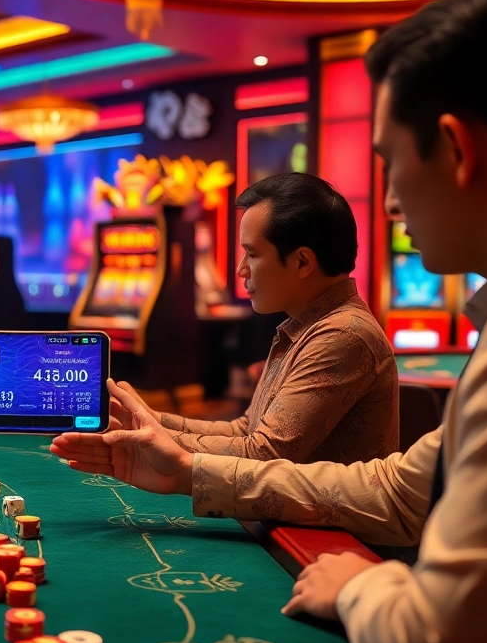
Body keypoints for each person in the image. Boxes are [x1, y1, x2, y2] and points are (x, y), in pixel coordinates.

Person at [53, 0, 487, 643]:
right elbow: (396, 488)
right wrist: (176, 449)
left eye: (390, 161)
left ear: (455, 148)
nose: (386, 202)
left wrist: (357, 586)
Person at [113, 172, 398, 464]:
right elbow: (245, 431)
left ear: (302, 262)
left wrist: (147, 432)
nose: (241, 269)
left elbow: (263, 455)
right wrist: (151, 418)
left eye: (252, 254)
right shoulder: (308, 326)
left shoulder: (342, 336)